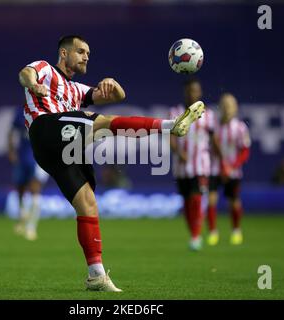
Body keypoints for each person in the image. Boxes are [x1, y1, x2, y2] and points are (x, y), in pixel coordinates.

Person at [18, 35, 204, 292]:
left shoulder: (77, 91)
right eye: (81, 51)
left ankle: (96, 276)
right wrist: (34, 85)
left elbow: (117, 94)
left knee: (88, 204)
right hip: (45, 128)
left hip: (59, 151)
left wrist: (112, 84)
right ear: (63, 53)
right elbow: (25, 74)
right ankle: (171, 126)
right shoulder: (45, 69)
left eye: (88, 54)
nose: (86, 57)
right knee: (104, 122)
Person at [170, 79, 216, 251]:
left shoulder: (208, 114)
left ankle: (196, 235)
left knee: (196, 198)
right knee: (187, 201)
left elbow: (214, 139)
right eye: (189, 91)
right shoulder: (175, 112)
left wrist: (219, 159)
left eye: (195, 90)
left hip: (201, 164)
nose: (192, 94)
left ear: (200, 93)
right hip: (182, 165)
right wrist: (177, 151)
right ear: (185, 92)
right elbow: (170, 136)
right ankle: (193, 233)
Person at [207, 93, 251, 246]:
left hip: (233, 171)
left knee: (234, 203)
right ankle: (213, 232)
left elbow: (245, 151)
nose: (227, 108)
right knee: (211, 200)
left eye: (230, 105)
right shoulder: (213, 126)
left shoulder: (239, 127)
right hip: (214, 169)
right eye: (224, 104)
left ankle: (236, 231)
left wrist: (232, 166)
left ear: (235, 108)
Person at [8, 106, 49, 241]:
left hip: (39, 157)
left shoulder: (47, 110)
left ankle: (31, 227)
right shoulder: (20, 112)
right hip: (23, 156)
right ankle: (22, 216)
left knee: (35, 189)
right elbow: (11, 132)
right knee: (20, 187)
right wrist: (11, 151)